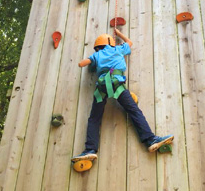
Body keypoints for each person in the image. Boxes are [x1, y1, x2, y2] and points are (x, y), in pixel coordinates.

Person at [71, 29, 174, 162]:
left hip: (101, 88)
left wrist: (91, 60)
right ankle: (150, 140)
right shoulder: (118, 49)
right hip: (117, 85)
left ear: (98, 47)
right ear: (111, 43)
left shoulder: (96, 55)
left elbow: (82, 64)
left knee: (94, 118)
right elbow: (130, 42)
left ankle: (90, 149)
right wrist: (119, 34)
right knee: (134, 111)